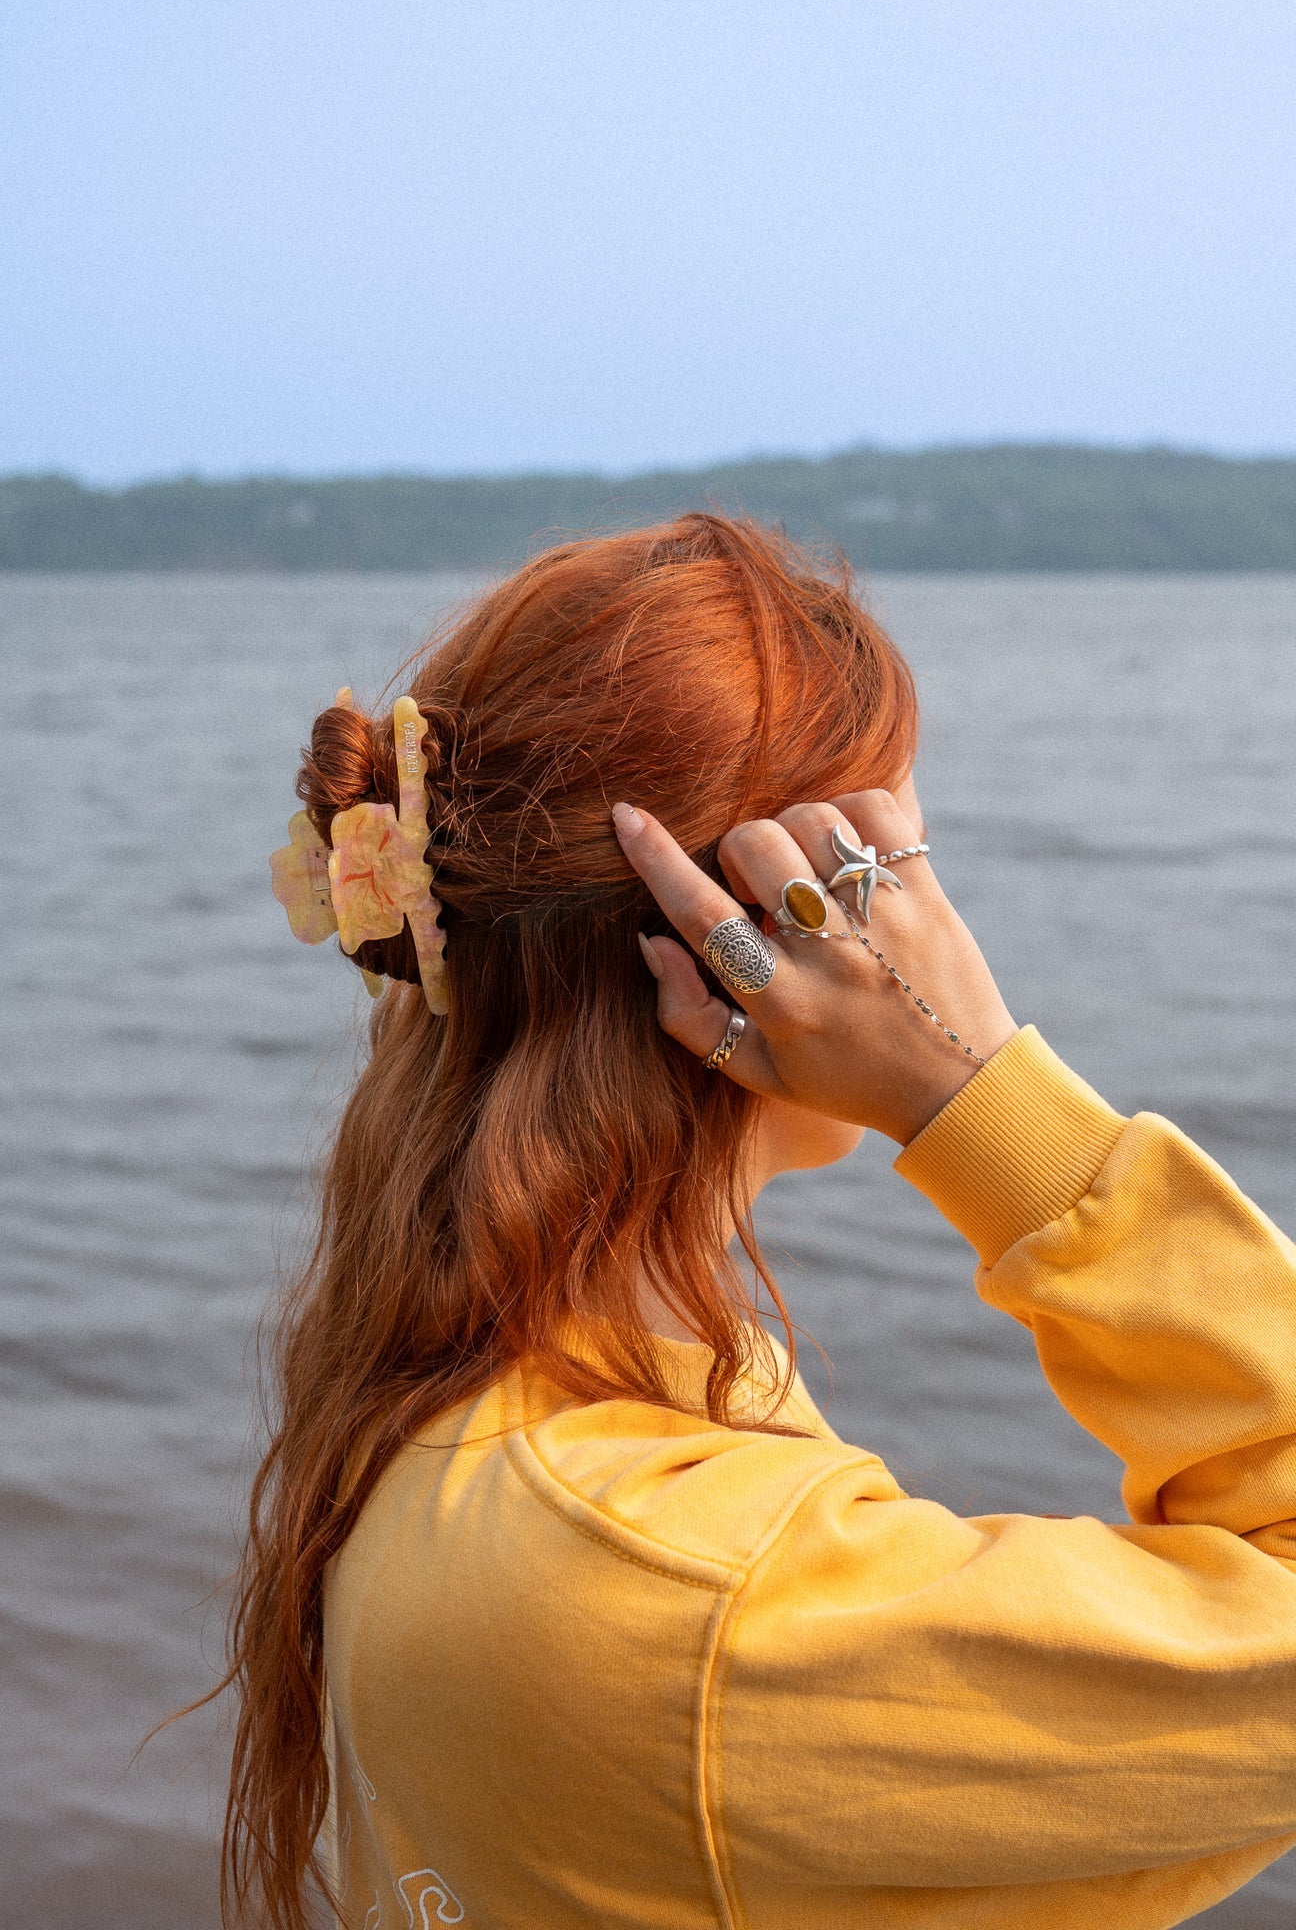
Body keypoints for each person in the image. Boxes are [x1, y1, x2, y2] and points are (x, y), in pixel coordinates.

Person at [234, 514, 1296, 1930]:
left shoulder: (464, 1408)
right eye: (884, 873)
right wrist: (975, 1090)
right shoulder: (704, 1595)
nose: (920, 925)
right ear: (744, 936)